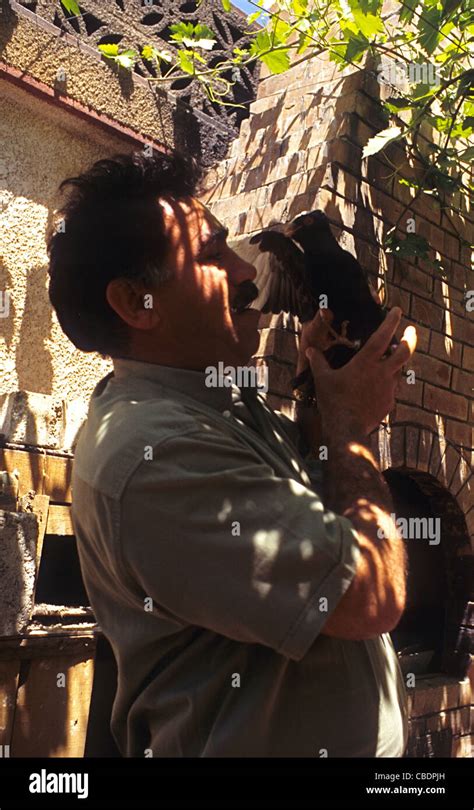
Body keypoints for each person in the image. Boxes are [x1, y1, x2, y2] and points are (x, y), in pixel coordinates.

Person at [48, 150, 417, 758]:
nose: (247, 271)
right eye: (213, 254)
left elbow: (325, 517)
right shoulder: (157, 453)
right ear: (135, 302)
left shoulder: (223, 408)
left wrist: (325, 401)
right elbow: (368, 595)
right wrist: (354, 426)